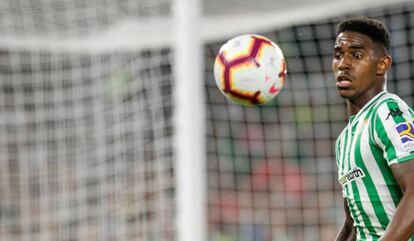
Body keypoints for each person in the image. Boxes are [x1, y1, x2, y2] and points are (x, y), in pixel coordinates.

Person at [332, 17, 414, 241]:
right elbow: (353, 224)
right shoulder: (343, 140)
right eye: (338, 55)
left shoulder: (388, 111)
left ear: (382, 65)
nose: (343, 64)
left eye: (356, 55)